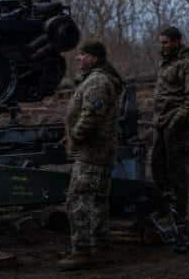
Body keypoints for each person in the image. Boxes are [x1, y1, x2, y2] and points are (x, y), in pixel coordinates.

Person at [59, 41, 124, 272]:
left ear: (94, 58)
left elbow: (91, 115)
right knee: (96, 200)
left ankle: (82, 251)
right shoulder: (95, 79)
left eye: (83, 55)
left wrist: (75, 135)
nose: (78, 58)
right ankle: (101, 248)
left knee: (78, 200)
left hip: (91, 153)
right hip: (97, 151)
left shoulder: (97, 82)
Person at [151, 26, 189, 238]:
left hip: (175, 125)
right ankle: (165, 208)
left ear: (176, 41)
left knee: (177, 170)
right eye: (160, 42)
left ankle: (179, 214)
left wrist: (177, 119)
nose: (162, 46)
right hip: (160, 122)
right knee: (157, 166)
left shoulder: (188, 64)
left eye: (165, 42)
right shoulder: (166, 62)